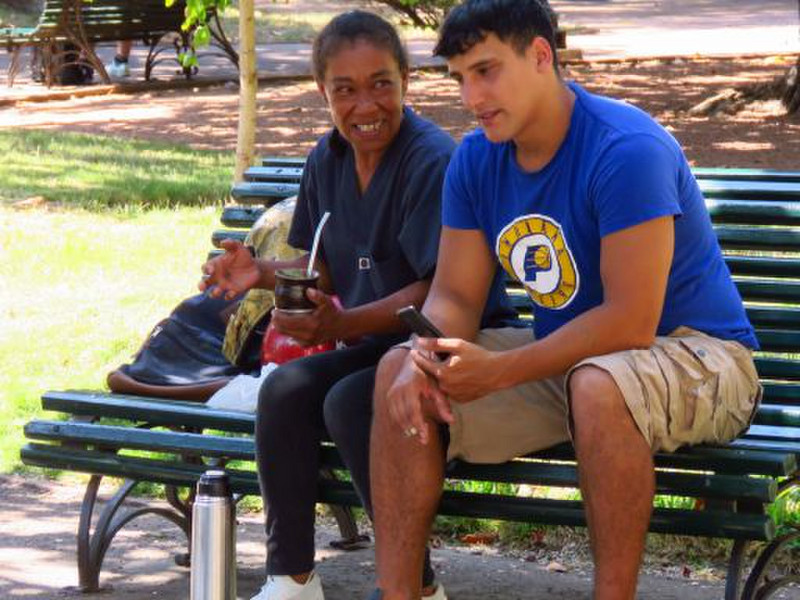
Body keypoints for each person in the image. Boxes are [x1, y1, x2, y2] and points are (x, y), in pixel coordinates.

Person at [367, 1, 762, 599]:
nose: (472, 97)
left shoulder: (625, 149)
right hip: (579, 362)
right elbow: (453, 296)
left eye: (487, 70)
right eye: (461, 78)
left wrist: (499, 371)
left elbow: (631, 322)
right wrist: (425, 354)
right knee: (400, 372)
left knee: (600, 385)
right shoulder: (476, 160)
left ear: (541, 56)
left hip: (700, 357)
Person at [199, 10, 516, 600]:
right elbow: (321, 265)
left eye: (381, 85)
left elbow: (437, 288)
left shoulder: (431, 161)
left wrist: (341, 321)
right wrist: (260, 273)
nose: (365, 106)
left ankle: (415, 586)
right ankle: (291, 578)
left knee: (352, 401)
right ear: (324, 93)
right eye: (345, 90)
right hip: (374, 345)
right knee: (286, 389)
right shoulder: (328, 158)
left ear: (405, 83)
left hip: (449, 342)